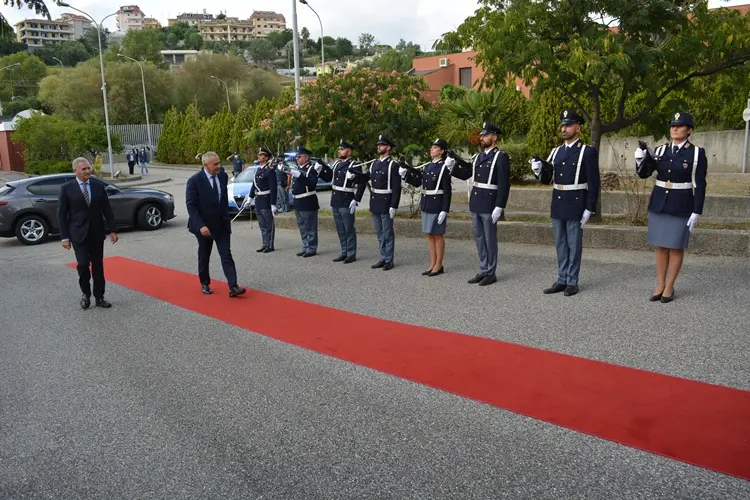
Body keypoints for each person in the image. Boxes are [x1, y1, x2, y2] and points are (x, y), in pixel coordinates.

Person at [634, 111, 707, 303]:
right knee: (660, 246)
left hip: (681, 203)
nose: (675, 128)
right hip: (660, 202)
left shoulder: (697, 153)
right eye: (673, 125)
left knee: (675, 247)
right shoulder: (660, 151)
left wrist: (697, 211)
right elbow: (644, 174)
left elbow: (699, 184)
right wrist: (640, 160)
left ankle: (670, 285)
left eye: (680, 125)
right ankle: (659, 283)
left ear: (689, 130)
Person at [530, 109, 601, 297]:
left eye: (568, 125)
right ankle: (561, 278)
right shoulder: (557, 152)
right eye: (563, 125)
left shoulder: (587, 152)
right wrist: (538, 170)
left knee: (574, 244)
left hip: (576, 201)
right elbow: (548, 179)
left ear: (578, 128)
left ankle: (572, 280)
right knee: (560, 243)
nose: (564, 128)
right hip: (558, 201)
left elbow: (594, 182)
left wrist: (589, 208)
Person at [448, 122, 510, 286]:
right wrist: (451, 167)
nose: (482, 138)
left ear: (494, 138)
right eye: (481, 135)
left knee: (490, 239)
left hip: (490, 204)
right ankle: (483, 269)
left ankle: (491, 272)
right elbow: (467, 174)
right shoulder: (478, 157)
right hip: (476, 202)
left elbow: (504, 184)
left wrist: (500, 206)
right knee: (479, 238)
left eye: (485, 135)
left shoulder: (500, 157)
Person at [58, 157, 118, 309]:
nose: (87, 171)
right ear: (75, 171)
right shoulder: (67, 188)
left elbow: (107, 210)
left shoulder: (98, 186)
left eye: (88, 168)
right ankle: (86, 294)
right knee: (83, 264)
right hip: (78, 234)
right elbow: (62, 214)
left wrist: (113, 230)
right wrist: (65, 237)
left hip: (96, 233)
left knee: (98, 266)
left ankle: (100, 297)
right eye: (83, 169)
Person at [186, 151, 246, 297]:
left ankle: (233, 286)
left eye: (219, 163)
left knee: (226, 255)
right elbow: (191, 206)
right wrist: (201, 225)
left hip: (221, 224)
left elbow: (222, 198)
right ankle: (205, 283)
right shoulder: (194, 181)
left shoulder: (222, 176)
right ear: (205, 165)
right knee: (204, 255)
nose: (219, 166)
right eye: (215, 164)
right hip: (204, 226)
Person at [400, 138, 452, 276]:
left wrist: (444, 210)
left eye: (435, 148)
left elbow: (447, 191)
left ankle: (439, 264)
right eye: (432, 147)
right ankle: (432, 263)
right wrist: (406, 176)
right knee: (429, 234)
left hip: (437, 203)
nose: (431, 149)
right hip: (427, 203)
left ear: (441, 151)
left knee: (438, 234)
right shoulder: (428, 166)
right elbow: (419, 182)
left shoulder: (444, 167)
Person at [352, 134, 402, 270]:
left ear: (388, 147)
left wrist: (394, 205)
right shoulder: (374, 163)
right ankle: (382, 257)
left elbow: (397, 187)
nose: (378, 147)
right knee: (380, 233)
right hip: (375, 202)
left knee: (387, 233)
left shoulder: (393, 164)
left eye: (381, 145)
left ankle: (389, 260)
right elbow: (366, 177)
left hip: (386, 201)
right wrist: (354, 176)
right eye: (378, 145)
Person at [330, 139, 361, 263]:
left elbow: (362, 183)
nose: (339, 151)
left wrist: (356, 199)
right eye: (339, 149)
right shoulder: (337, 164)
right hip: (336, 200)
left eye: (342, 149)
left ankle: (351, 253)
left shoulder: (354, 164)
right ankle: (344, 251)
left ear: (349, 151)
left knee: (348, 228)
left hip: (346, 199)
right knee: (340, 228)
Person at [289, 145, 321, 257]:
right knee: (302, 226)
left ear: (306, 158)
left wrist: (300, 176)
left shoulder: (311, 169)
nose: (297, 159)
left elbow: (312, 183)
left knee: (310, 226)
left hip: (308, 201)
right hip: (298, 201)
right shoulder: (298, 169)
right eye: (296, 157)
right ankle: (306, 245)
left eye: (299, 157)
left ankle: (312, 247)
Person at [247, 146, 277, 253]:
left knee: (269, 225)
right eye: (259, 155)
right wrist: (250, 197)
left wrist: (273, 204)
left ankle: (270, 245)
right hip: (258, 200)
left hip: (266, 200)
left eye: (261, 155)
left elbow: (273, 188)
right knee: (262, 225)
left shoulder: (270, 171)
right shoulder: (257, 170)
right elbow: (253, 185)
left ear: (266, 158)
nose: (259, 157)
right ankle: (265, 244)